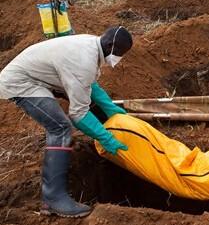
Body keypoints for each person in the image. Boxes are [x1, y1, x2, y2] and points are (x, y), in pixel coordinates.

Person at [0, 26, 133, 218]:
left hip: (37, 76)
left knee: (65, 121)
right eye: (120, 53)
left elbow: (89, 85)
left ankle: (53, 197)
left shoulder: (91, 45)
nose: (119, 58)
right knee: (60, 127)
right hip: (22, 82)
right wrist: (106, 139)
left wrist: (110, 108)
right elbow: (78, 114)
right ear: (111, 45)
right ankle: (53, 199)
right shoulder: (84, 60)